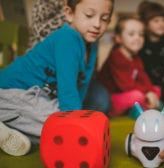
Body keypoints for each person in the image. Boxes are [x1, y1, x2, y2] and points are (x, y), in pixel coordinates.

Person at [0, 0, 114, 156]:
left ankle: (15, 130)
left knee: (63, 121)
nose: (97, 24)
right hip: (8, 93)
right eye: (89, 15)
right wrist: (76, 127)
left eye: (105, 18)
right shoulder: (67, 38)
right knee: (58, 122)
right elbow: (68, 91)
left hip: (37, 97)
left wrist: (77, 119)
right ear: (69, 14)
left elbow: (82, 85)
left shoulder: (92, 44)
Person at [96, 16, 161, 117]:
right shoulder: (117, 57)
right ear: (118, 38)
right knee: (137, 96)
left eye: (141, 35)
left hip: (127, 93)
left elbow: (143, 78)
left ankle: (140, 107)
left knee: (156, 89)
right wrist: (147, 93)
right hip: (112, 97)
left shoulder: (136, 58)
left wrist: (150, 91)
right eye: (131, 34)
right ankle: (141, 107)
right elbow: (126, 86)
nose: (137, 38)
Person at [137, 1, 164, 108]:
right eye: (156, 21)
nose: (161, 24)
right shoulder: (141, 41)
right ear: (146, 24)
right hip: (146, 84)